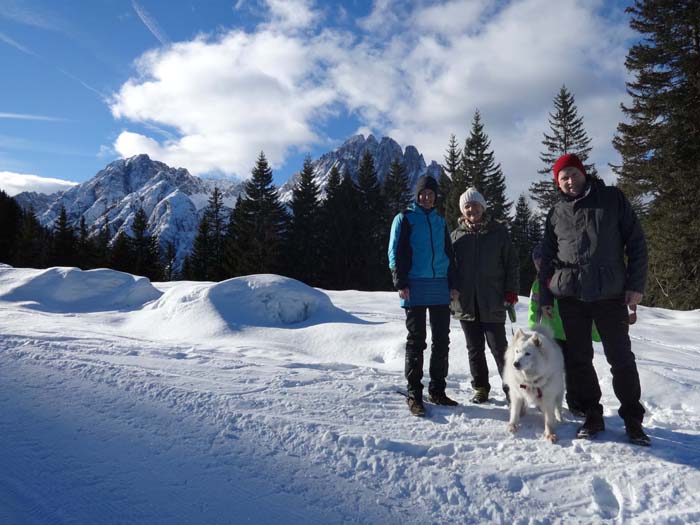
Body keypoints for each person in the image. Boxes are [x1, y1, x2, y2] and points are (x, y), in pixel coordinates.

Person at [539, 153, 650, 446]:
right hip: (571, 296)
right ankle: (592, 414)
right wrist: (545, 298)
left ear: (583, 173)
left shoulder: (611, 199)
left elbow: (636, 242)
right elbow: (545, 258)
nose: (569, 181)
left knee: (620, 358)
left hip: (609, 294)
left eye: (573, 174)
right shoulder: (555, 213)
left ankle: (633, 419)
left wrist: (636, 284)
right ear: (558, 183)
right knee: (578, 359)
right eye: (563, 178)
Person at [388, 175, 460, 417]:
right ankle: (414, 393)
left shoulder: (440, 221)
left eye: (431, 193)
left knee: (442, 340)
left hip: (439, 284)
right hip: (415, 285)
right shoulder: (405, 218)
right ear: (416, 195)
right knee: (416, 341)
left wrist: (452, 283)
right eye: (422, 193)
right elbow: (394, 250)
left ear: (435, 196)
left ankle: (437, 390)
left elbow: (449, 253)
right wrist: (400, 281)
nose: (427, 197)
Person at [450, 187, 519, 404]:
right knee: (474, 349)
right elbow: (449, 268)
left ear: (483, 207)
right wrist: (450, 289)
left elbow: (512, 264)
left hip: (494, 299)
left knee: (500, 349)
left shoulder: (498, 232)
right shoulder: (455, 236)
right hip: (466, 302)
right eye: (467, 206)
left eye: (475, 205)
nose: (472, 210)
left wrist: (511, 291)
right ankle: (480, 387)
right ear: (463, 210)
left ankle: (512, 389)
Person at [529, 242, 601, 417]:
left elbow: (588, 311)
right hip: (549, 335)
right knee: (548, 370)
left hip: (573, 333)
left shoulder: (567, 281)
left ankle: (575, 402)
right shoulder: (538, 285)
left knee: (574, 370)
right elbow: (534, 308)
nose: (540, 265)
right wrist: (534, 330)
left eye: (543, 262)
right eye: (537, 262)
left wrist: (595, 333)